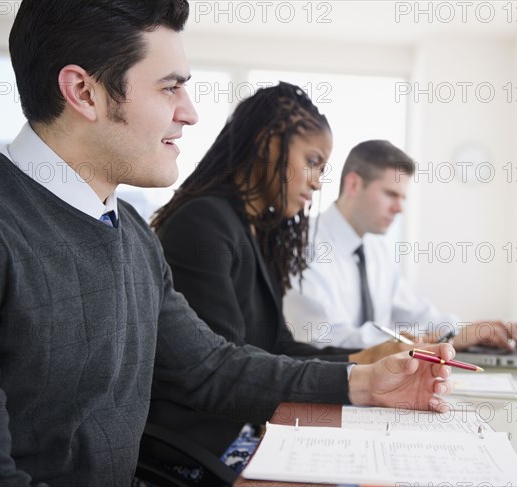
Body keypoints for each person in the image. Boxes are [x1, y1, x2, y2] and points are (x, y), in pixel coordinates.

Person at [0, 3, 454, 486]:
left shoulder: (128, 231)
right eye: (170, 87)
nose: (190, 113)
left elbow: (209, 367)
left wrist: (364, 384)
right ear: (84, 92)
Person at [149, 82, 409, 461]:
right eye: (313, 161)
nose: (319, 182)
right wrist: (358, 377)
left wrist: (369, 357)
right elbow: (223, 372)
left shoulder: (258, 232)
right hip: (201, 450)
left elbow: (278, 347)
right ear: (269, 142)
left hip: (247, 432)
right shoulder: (203, 224)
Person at [283, 140, 517, 350]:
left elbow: (417, 315)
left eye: (403, 198)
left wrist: (468, 331)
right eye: (391, 194)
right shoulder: (305, 243)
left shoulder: (375, 249)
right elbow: (325, 339)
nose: (399, 208)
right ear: (354, 185)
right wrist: (446, 338)